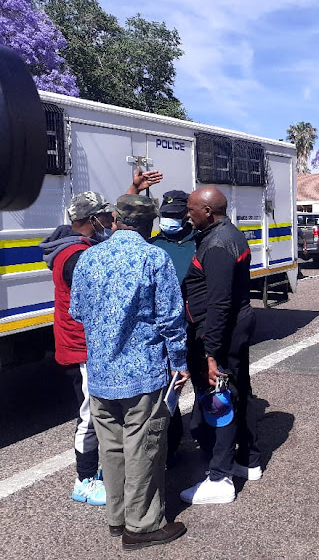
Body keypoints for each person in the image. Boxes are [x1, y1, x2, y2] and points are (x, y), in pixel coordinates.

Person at [69, 194, 189, 550]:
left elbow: (77, 310)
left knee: (113, 449)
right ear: (149, 223)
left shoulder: (88, 258)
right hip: (143, 374)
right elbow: (171, 319)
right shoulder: (154, 258)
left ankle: (117, 518)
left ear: (115, 220)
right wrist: (180, 363)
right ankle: (143, 525)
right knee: (144, 448)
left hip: (102, 373)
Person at [180, 186, 261, 505]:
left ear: (208, 211)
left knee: (219, 399)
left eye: (191, 208)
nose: (188, 213)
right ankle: (248, 461)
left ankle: (220, 478)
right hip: (233, 328)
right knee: (237, 391)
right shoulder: (228, 234)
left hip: (221, 334)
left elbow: (219, 305)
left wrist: (210, 354)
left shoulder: (216, 245)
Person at [40, 191, 116, 507]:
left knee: (92, 409)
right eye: (106, 216)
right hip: (81, 347)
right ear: (91, 219)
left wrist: (135, 189)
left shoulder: (76, 246)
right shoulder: (75, 256)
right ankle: (84, 480)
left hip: (80, 344)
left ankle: (92, 472)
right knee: (88, 414)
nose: (111, 221)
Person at [149, 190, 196, 465]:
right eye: (164, 216)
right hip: (162, 331)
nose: (168, 221)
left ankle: (211, 438)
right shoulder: (153, 245)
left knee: (203, 383)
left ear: (186, 216)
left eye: (174, 216)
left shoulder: (198, 244)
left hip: (192, 327)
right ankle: (172, 444)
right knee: (168, 388)